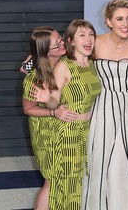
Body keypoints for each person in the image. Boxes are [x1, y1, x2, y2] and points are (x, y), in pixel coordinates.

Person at [83, 0, 128, 210]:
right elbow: (67, 54)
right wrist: (33, 60)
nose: (125, 23)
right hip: (102, 107)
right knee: (104, 161)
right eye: (120, 19)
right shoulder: (95, 41)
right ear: (108, 21)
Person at [31, 19, 101, 209]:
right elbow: (55, 100)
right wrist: (48, 99)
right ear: (70, 41)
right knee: (66, 185)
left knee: (80, 183)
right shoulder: (64, 66)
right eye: (82, 35)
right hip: (68, 133)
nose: (88, 39)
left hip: (87, 132)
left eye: (91, 34)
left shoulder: (92, 65)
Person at [22, 26, 81, 210]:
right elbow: (28, 109)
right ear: (46, 51)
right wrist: (53, 112)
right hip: (46, 133)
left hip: (63, 130)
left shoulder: (62, 63)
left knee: (62, 179)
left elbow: (26, 64)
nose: (63, 44)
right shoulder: (35, 79)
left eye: (61, 39)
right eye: (58, 44)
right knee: (52, 181)